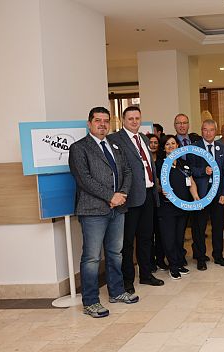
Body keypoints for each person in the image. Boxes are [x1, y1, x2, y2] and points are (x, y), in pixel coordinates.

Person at [69, 107, 137, 318]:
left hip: (118, 208)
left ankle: (116, 292)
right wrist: (110, 196)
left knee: (115, 253)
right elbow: (84, 179)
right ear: (89, 123)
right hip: (93, 210)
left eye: (106, 121)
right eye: (98, 120)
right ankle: (90, 302)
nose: (102, 124)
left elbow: (127, 171)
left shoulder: (115, 145)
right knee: (91, 258)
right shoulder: (79, 148)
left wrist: (122, 193)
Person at [107, 107, 164, 294]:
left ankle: (146, 274)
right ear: (123, 120)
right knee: (127, 242)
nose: (134, 121)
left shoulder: (144, 139)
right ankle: (127, 280)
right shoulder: (115, 140)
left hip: (148, 195)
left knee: (146, 238)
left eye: (137, 118)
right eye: (130, 118)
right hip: (129, 198)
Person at [156, 135, 199, 280]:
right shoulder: (159, 164)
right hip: (167, 208)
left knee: (179, 237)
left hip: (183, 206)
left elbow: (191, 182)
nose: (171, 146)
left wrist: (196, 198)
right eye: (167, 144)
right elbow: (156, 183)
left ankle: (179, 263)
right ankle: (173, 267)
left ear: (178, 146)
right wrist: (160, 189)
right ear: (163, 148)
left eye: (173, 143)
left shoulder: (183, 163)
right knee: (169, 238)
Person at [190, 119, 224, 269]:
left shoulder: (222, 148)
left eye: (211, 130)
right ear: (201, 131)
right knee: (199, 227)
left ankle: (218, 256)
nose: (208, 133)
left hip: (218, 194)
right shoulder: (194, 147)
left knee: (218, 227)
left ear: (216, 131)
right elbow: (190, 170)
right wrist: (203, 171)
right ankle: (200, 257)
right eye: (205, 130)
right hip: (201, 195)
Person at [146, 133, 167, 272]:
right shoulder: (144, 159)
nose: (153, 145)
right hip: (148, 201)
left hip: (161, 202)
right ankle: (150, 262)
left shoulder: (162, 161)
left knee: (160, 233)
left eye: (155, 142)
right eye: (150, 142)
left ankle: (160, 259)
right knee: (148, 234)